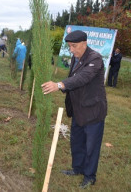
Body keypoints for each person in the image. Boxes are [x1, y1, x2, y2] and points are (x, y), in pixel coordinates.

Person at [41, 30, 107, 189]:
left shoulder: (95, 58)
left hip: (93, 111)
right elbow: (74, 78)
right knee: (76, 141)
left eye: (74, 46)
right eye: (69, 46)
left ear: (84, 43)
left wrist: (59, 85)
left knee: (91, 146)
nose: (71, 50)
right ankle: (78, 168)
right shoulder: (75, 58)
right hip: (78, 109)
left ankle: (90, 176)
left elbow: (82, 77)